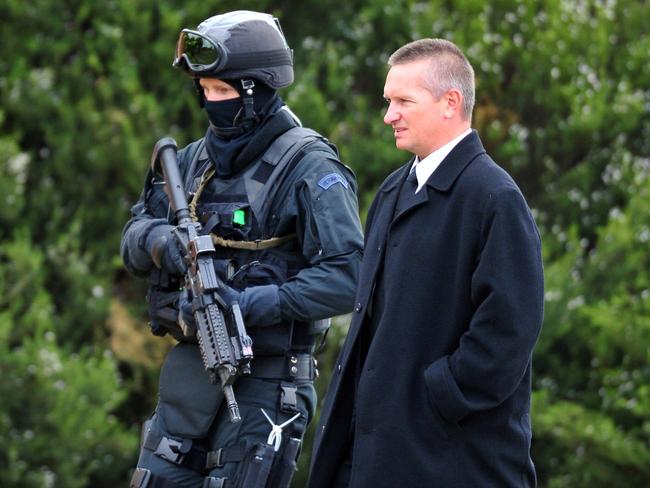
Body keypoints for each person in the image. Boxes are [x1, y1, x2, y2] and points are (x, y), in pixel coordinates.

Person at [120, 10, 363, 488]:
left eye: (222, 92)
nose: (211, 102)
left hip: (267, 383)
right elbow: (131, 238)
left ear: (256, 91)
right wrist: (159, 242)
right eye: (205, 90)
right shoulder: (189, 161)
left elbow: (348, 275)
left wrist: (250, 304)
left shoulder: (309, 167)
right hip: (190, 374)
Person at [308, 38, 544, 487]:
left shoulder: (495, 198)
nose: (388, 115)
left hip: (452, 461)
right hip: (373, 458)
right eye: (388, 101)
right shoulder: (392, 192)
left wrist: (438, 395)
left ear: (450, 103)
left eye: (403, 101)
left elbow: (508, 332)